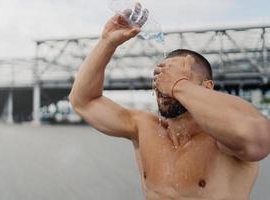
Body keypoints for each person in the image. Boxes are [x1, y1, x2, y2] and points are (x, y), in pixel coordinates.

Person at [69, 3, 270, 199]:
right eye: (160, 76)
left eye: (177, 76)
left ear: (206, 87)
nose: (163, 84)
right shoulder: (144, 128)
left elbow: (259, 138)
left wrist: (178, 85)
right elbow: (83, 101)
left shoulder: (222, 139)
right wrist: (107, 42)